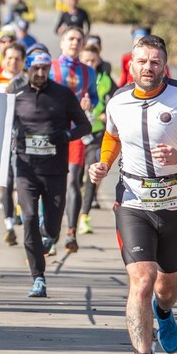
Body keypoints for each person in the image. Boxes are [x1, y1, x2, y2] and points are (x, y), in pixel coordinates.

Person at [87, 34, 177, 354]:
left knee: (165, 288)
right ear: (130, 65)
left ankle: (164, 313)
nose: (148, 67)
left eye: (155, 61)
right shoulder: (118, 101)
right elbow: (111, 136)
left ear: (164, 65)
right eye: (142, 61)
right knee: (142, 279)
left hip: (173, 202)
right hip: (133, 201)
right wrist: (103, 164)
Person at [13, 51, 92, 298]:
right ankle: (38, 278)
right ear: (27, 70)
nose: (40, 74)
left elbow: (85, 126)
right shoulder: (16, 96)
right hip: (26, 169)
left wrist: (67, 136)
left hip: (55, 170)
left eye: (44, 69)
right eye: (35, 69)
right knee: (28, 219)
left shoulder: (63, 94)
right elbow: (1, 125)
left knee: (53, 226)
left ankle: (49, 236)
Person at [50, 28, 98, 254]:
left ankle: (70, 232)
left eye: (79, 40)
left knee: (72, 182)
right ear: (62, 43)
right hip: (51, 133)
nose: (75, 43)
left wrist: (90, 104)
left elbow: (94, 97)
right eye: (71, 39)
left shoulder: (88, 72)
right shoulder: (50, 67)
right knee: (48, 182)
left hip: (75, 135)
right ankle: (47, 230)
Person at [0, 41, 27, 246]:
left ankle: (21, 215)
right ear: (3, 59)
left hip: (23, 139)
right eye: (9, 58)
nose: (13, 62)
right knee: (6, 181)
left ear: (23, 61)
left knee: (21, 180)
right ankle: (9, 224)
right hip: (0, 138)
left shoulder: (29, 82)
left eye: (17, 59)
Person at [76, 41, 115, 234]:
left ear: (98, 60)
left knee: (92, 172)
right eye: (85, 60)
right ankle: (72, 215)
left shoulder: (105, 79)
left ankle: (84, 216)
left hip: (95, 133)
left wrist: (107, 114)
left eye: (93, 60)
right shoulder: (73, 78)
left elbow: (115, 100)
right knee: (74, 178)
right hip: (74, 134)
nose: (89, 64)